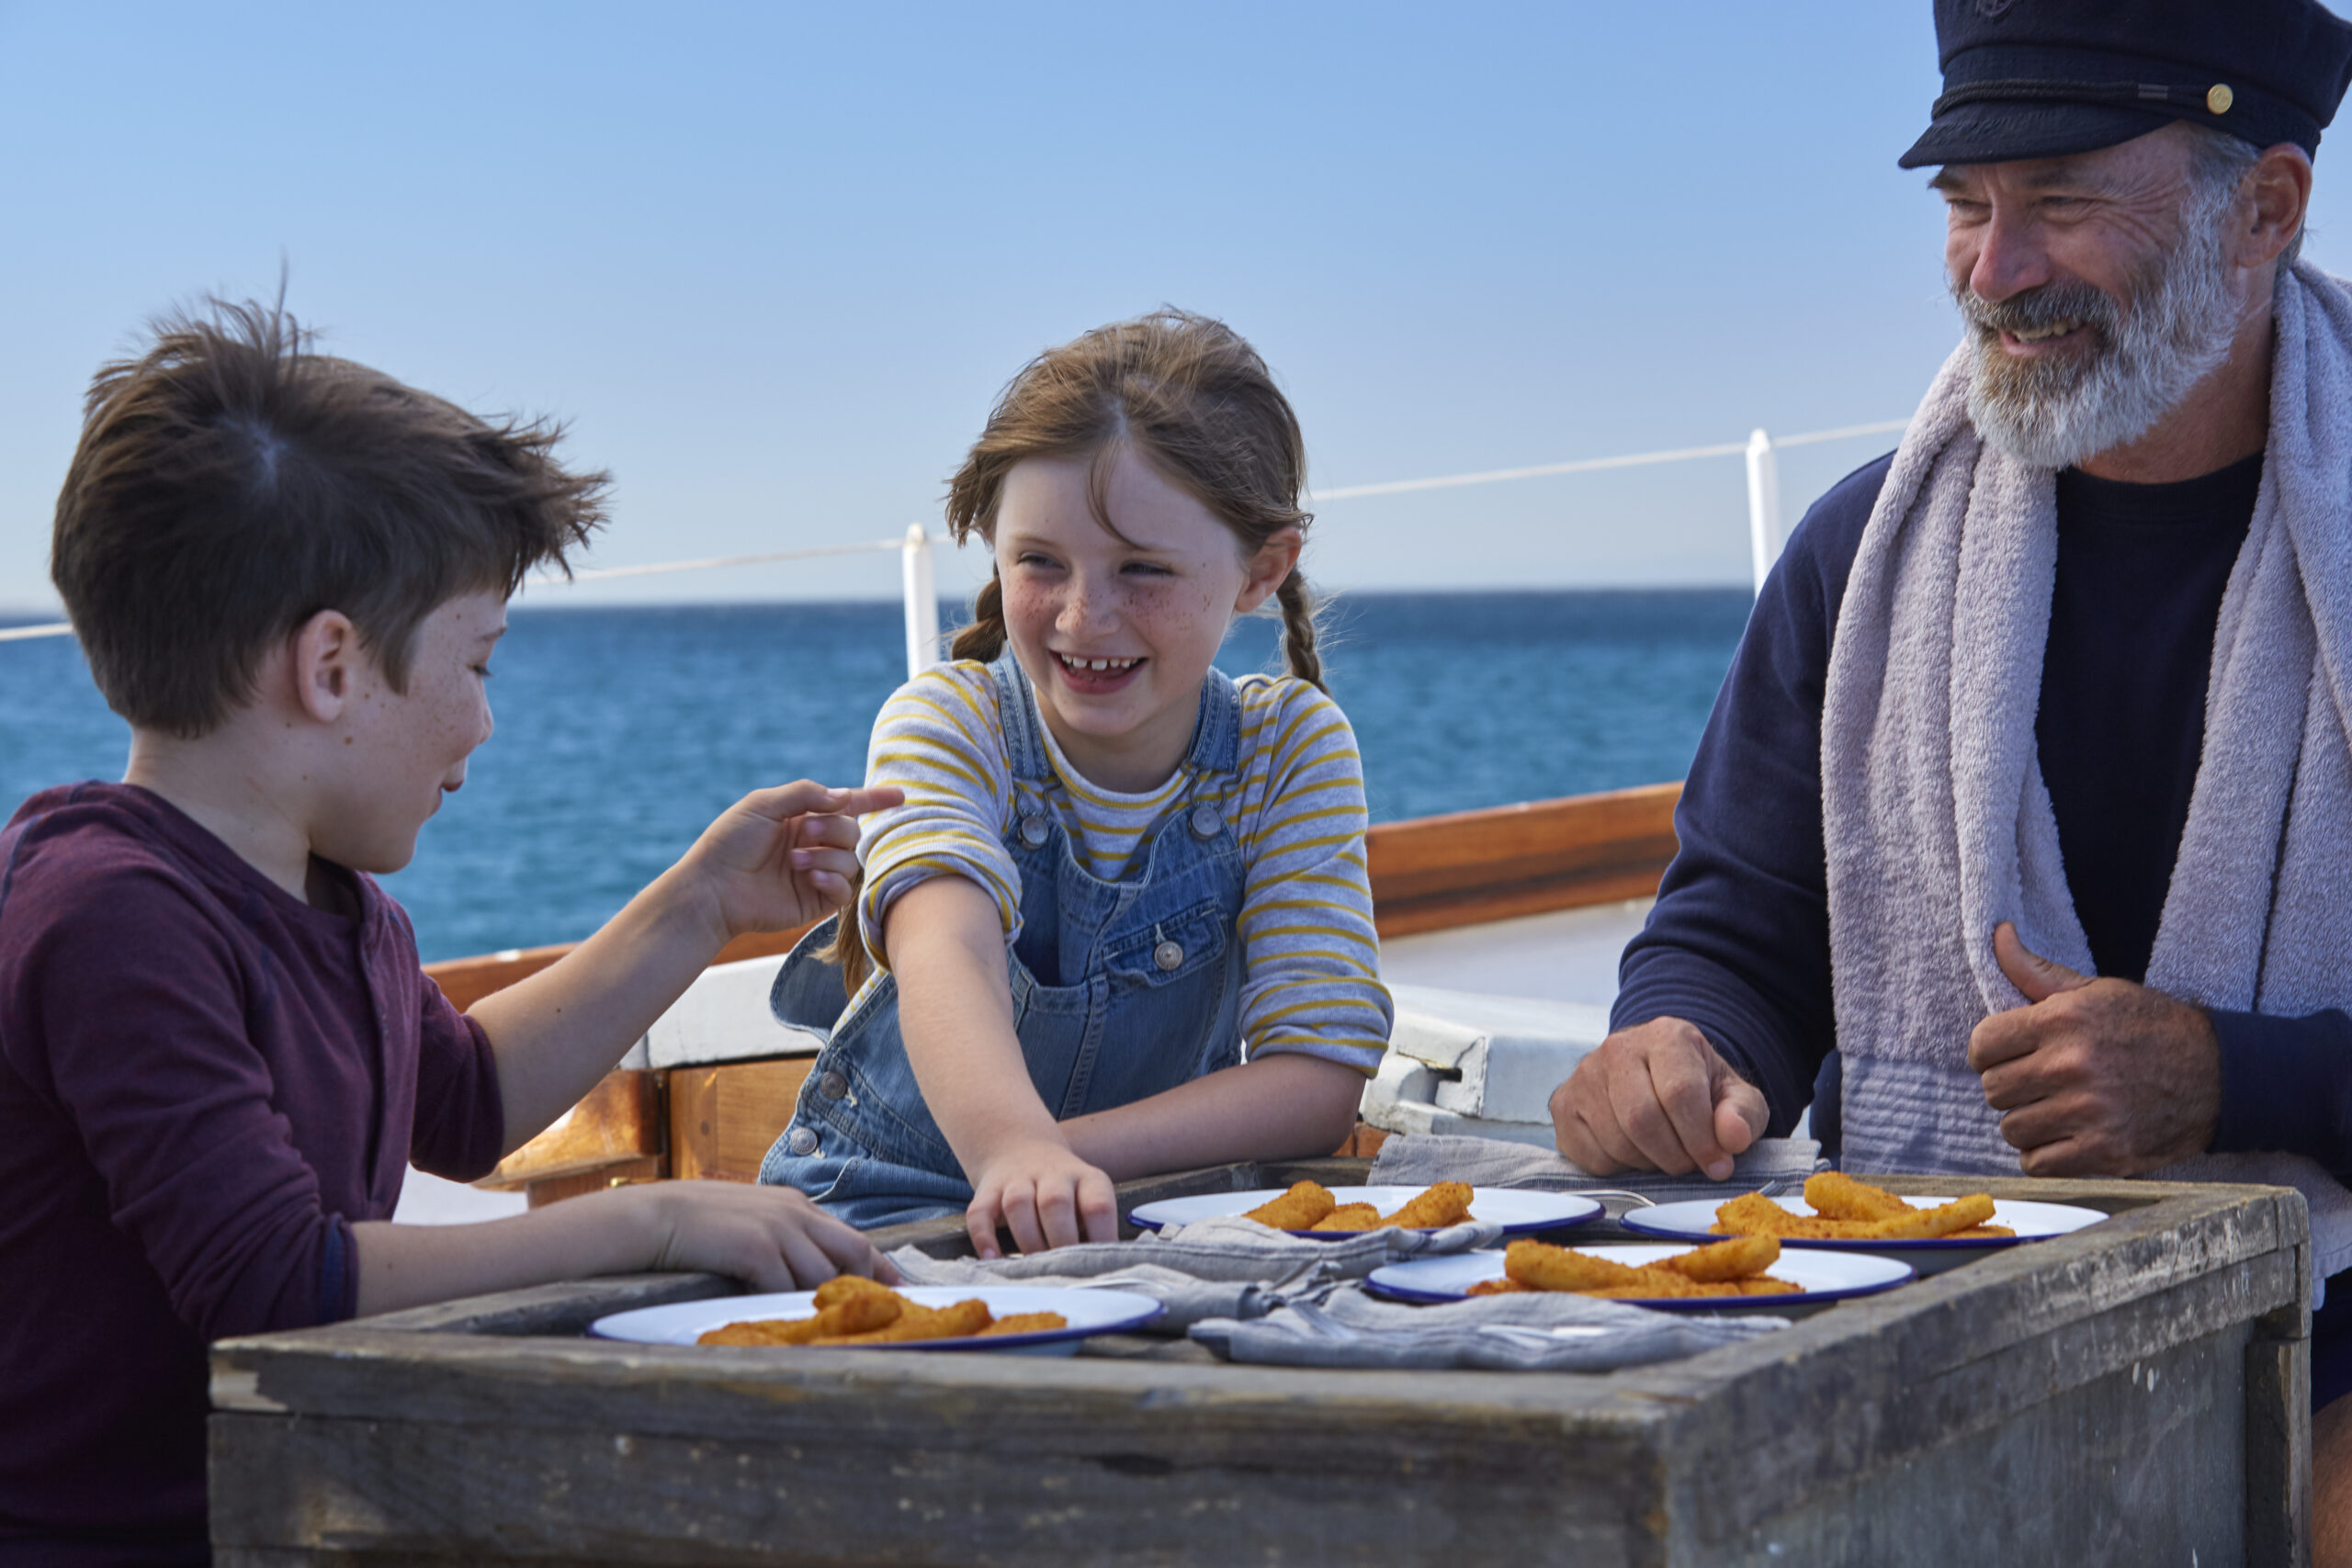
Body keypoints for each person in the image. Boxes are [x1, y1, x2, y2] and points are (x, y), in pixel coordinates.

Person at [1547, 0, 2352, 1551]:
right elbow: (1743, 925)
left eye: (2059, 201)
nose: (1996, 271)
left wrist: (2229, 1076)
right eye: (1967, 209)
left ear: (2265, 206)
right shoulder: (1863, 554)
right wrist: (1679, 1045)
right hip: (1944, 1291)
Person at [0, 300, 900, 1564]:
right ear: (331, 667)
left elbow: (466, 1101)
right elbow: (274, 1285)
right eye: (477, 662)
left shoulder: (333, 897)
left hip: (297, 1504)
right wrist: (654, 1217)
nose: (485, 721)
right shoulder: (107, 915)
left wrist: (697, 904)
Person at [758, 310, 1391, 1258]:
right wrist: (1008, 1154)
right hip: (889, 1211)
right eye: (1040, 564)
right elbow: (946, 951)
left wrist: (1050, 1160)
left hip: (1150, 1216)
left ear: (1262, 569)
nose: (1085, 617)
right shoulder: (948, 723)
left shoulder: (1287, 750)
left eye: (1143, 570)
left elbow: (1314, 1075)